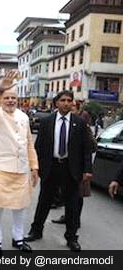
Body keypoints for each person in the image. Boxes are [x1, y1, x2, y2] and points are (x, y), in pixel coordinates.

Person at [0, 71, 39, 256]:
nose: (10, 100)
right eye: (7, 97)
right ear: (2, 98)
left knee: (20, 207)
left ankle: (18, 238)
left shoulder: (24, 117)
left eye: (13, 98)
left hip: (20, 170)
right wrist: (0, 89)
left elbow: (29, 143)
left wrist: (34, 166)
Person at [24, 90, 93, 252]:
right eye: (63, 100)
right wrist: (37, 167)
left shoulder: (79, 123)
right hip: (51, 167)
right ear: (56, 103)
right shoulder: (47, 121)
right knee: (44, 202)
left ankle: (71, 237)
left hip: (71, 169)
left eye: (69, 100)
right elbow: (39, 146)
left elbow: (86, 149)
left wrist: (87, 169)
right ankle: (36, 230)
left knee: (72, 205)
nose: (67, 103)